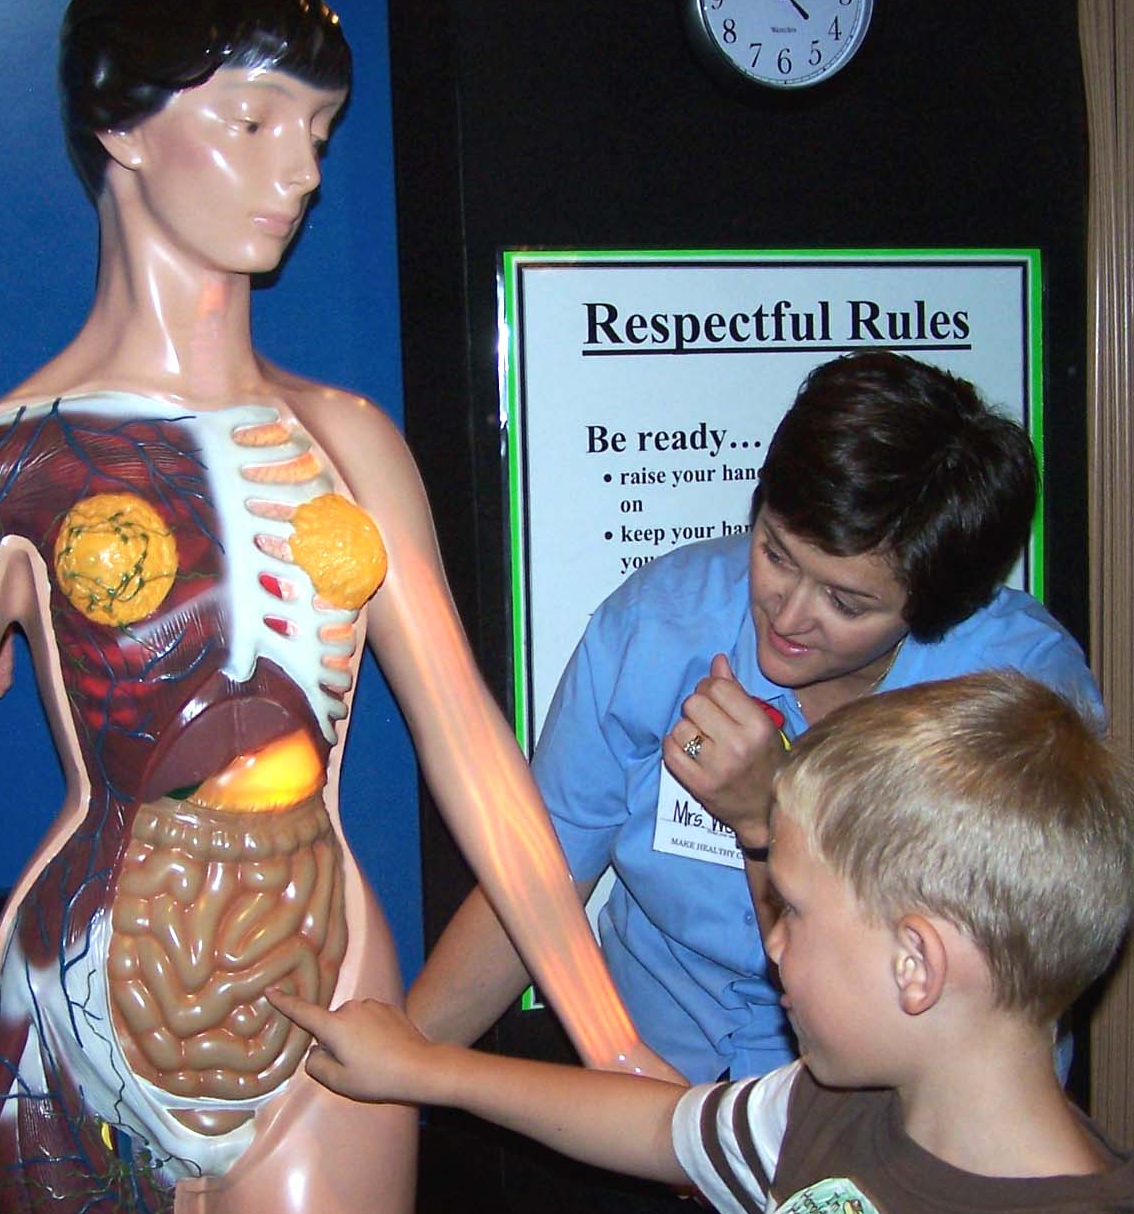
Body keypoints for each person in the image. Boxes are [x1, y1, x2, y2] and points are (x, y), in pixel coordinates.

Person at [0, 0, 669, 1214]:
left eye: (321, 126)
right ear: (121, 124)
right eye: (251, 120)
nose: (301, 168)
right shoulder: (8, 462)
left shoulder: (347, 438)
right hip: (72, 1011)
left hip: (331, 996)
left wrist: (611, 1042)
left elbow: (473, 748)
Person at [274, 670, 1134, 1214]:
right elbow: (659, 1131)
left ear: (916, 964)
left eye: (792, 911)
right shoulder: (833, 1111)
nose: (773, 944)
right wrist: (428, 1069)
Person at [409, 351, 1103, 1085]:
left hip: (889, 1133)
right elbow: (534, 883)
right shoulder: (661, 623)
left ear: (936, 607)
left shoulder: (1017, 704)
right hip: (650, 1093)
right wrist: (394, 1067)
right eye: (775, 551)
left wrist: (774, 821)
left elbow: (930, 1004)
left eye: (847, 602)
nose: (788, 612)